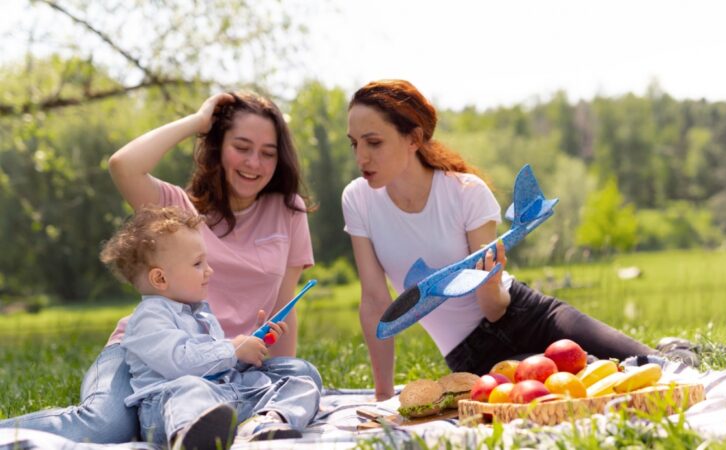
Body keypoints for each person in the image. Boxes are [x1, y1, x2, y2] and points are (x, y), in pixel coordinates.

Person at [0, 91, 322, 443]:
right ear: (217, 147)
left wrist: (269, 374)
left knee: (301, 375)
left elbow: (284, 306)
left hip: (227, 365)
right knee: (105, 426)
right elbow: (123, 164)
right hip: (148, 356)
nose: (254, 163)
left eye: (268, 153)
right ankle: (161, 417)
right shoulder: (176, 214)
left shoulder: (288, 210)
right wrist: (198, 122)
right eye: (242, 147)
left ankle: (182, 421)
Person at [342, 79, 661, 401]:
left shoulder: (465, 191)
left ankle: (678, 349)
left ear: (414, 138)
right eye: (355, 144)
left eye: (374, 143)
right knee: (587, 386)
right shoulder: (358, 200)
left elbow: (494, 309)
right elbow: (374, 302)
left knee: (653, 364)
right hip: (473, 355)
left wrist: (489, 282)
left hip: (526, 312)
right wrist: (382, 394)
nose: (361, 157)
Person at [105, 206, 319, 449]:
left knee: (301, 374)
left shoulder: (201, 311)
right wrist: (232, 349)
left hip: (225, 396)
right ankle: (189, 435)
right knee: (189, 387)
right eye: (198, 263)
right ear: (160, 279)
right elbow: (181, 363)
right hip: (169, 407)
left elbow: (216, 366)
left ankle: (266, 421)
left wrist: (252, 347)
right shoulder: (148, 319)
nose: (210, 270)